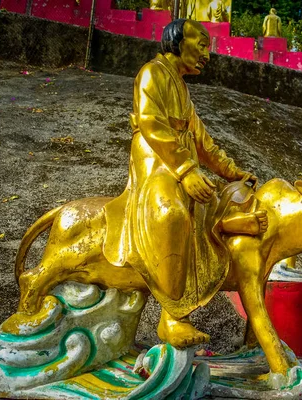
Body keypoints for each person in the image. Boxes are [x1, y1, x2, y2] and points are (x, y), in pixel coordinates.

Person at [103, 19, 260, 347]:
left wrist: (231, 172)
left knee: (219, 201)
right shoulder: (151, 73)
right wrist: (186, 171)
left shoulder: (182, 89)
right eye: (201, 44)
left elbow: (202, 140)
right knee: (172, 213)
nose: (207, 53)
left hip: (178, 164)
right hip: (155, 163)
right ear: (176, 41)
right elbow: (150, 123)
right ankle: (173, 317)